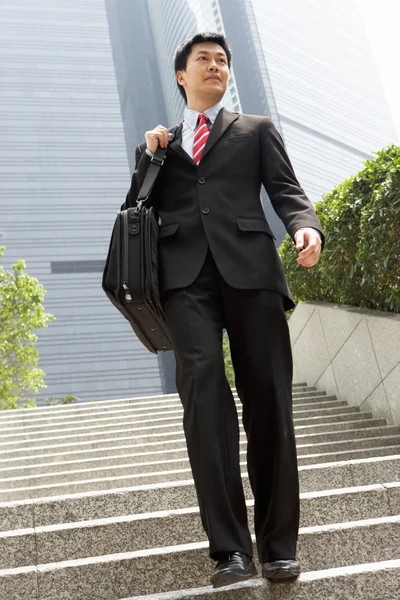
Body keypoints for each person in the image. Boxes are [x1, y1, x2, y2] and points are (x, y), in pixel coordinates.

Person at [123, 32, 324, 588]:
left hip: (252, 274)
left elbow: (288, 191)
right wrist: (150, 160)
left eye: (222, 60)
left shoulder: (255, 129)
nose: (216, 66)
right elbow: (133, 212)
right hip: (185, 281)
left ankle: (279, 545)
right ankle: (229, 552)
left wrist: (305, 228)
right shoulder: (157, 146)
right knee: (204, 393)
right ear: (181, 77)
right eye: (203, 60)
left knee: (268, 398)